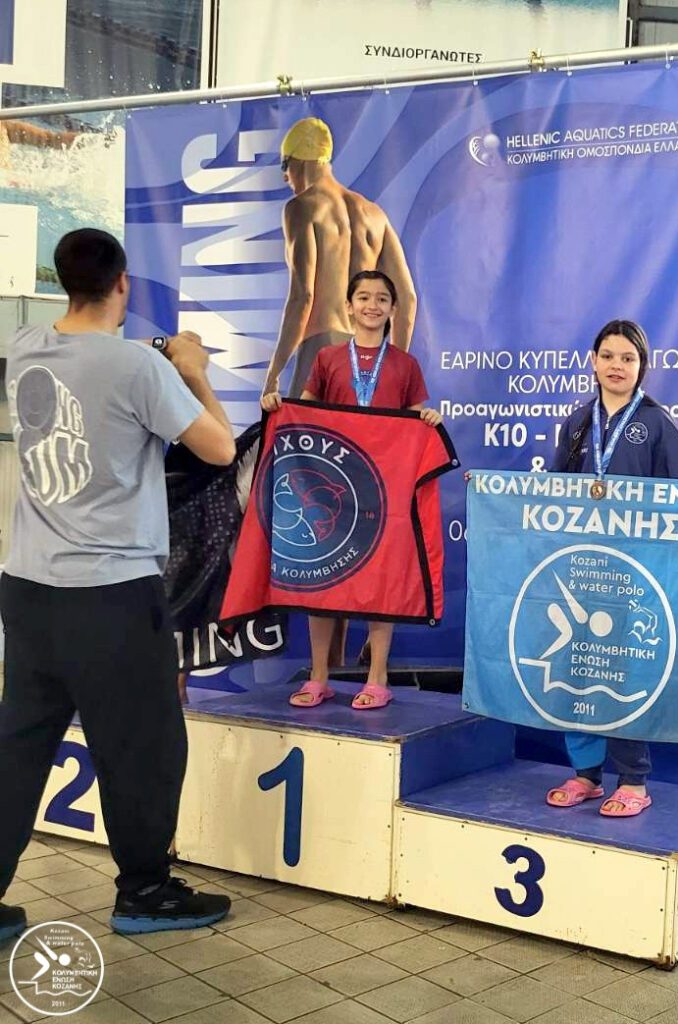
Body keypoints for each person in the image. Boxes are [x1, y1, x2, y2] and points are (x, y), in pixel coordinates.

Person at [0, 228, 236, 943]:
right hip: (111, 595)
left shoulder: (24, 348)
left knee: (18, 748)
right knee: (141, 746)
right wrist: (191, 370)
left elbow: (89, 366)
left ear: (62, 281)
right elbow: (220, 448)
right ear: (123, 284)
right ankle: (145, 891)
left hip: (27, 589)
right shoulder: (138, 367)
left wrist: (158, 360)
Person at [544, 319, 678, 817]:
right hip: (580, 568)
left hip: (633, 574)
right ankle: (586, 774)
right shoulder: (577, 423)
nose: (616, 366)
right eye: (608, 356)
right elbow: (551, 489)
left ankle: (633, 781)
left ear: (642, 366)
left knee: (621, 672)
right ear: (593, 361)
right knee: (577, 669)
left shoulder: (656, 423)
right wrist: (491, 491)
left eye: (628, 358)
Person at [264, 117, 418, 668]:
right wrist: (392, 368)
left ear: (297, 163)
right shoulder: (372, 212)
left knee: (318, 512)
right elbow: (408, 299)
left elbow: (303, 296)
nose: (286, 179)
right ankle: (355, 656)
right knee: (364, 508)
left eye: (285, 170)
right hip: (369, 370)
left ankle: (324, 662)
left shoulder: (302, 207)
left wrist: (273, 375)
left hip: (322, 359)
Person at [262, 270, 441, 710]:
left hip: (383, 491)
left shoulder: (405, 364)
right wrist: (279, 406)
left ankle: (377, 677)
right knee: (325, 580)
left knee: (382, 581)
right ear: (349, 306)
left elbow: (415, 418)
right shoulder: (328, 358)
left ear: (393, 309)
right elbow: (305, 412)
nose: (372, 305)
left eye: (381, 299)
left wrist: (428, 419)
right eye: (363, 297)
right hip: (335, 486)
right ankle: (319, 676)